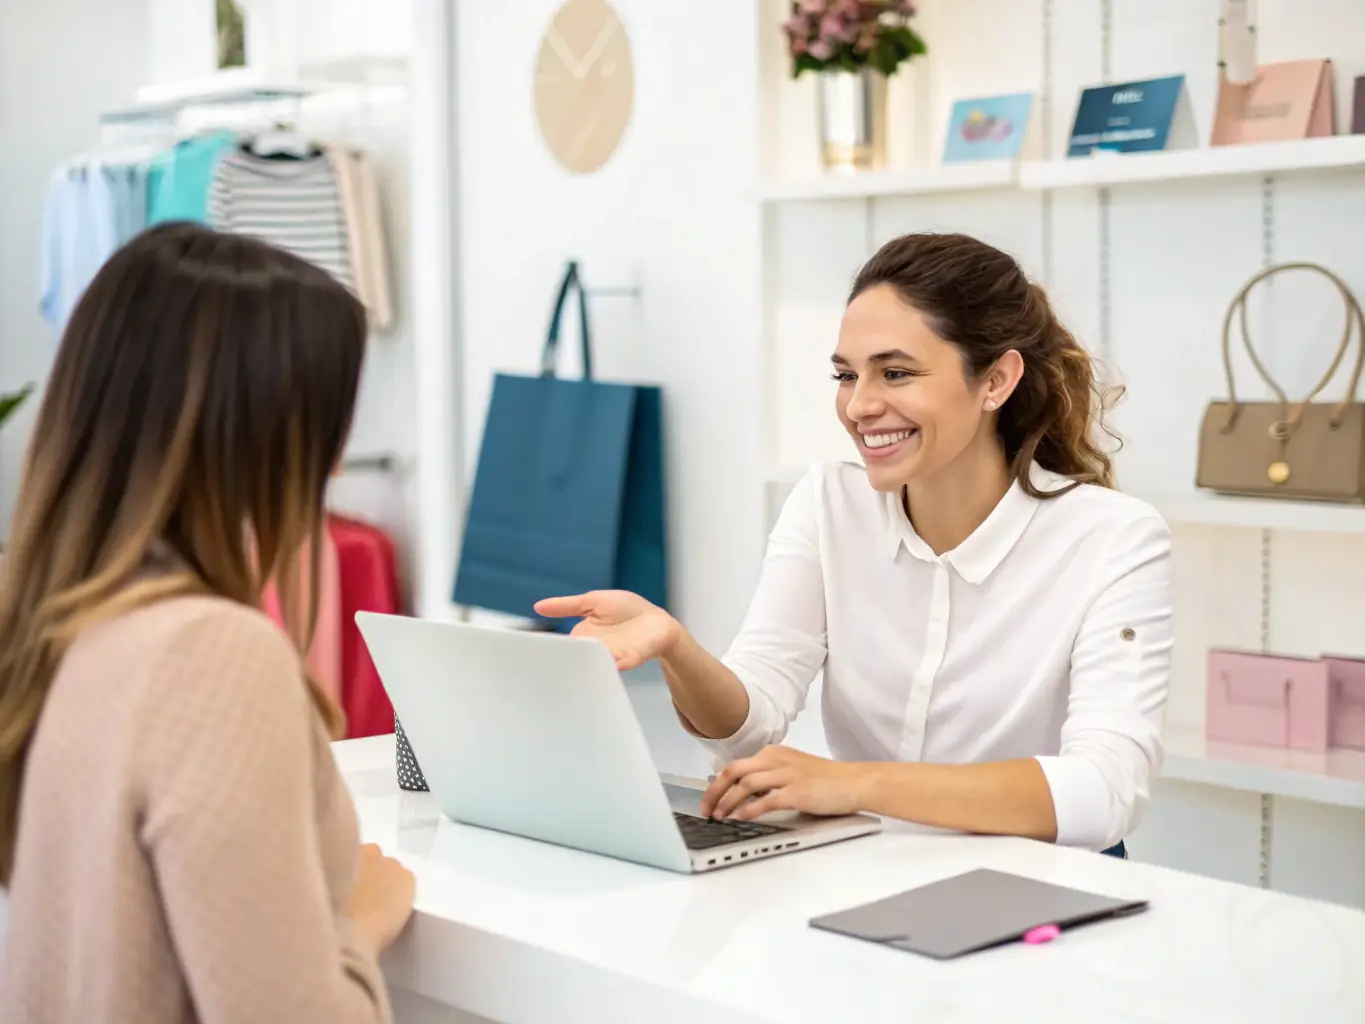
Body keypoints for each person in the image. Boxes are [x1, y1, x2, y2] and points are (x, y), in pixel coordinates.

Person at [536, 231, 1173, 857]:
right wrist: (674, 646)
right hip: (869, 868)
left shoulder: (1114, 538)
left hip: (1042, 891)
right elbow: (750, 724)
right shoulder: (827, 504)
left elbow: (1105, 792)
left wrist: (853, 783)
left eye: (895, 373)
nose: (860, 406)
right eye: (846, 375)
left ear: (997, 381)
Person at [0, 223, 415, 1022]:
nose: (332, 468)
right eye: (325, 427)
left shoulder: (62, 629)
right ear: (256, 437)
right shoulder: (210, 653)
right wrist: (359, 925)